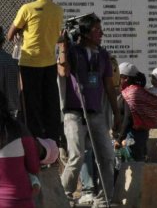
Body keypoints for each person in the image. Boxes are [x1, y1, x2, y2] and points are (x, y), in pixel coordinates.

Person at [58, 14, 118, 207]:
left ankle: (103, 199)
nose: (102, 33)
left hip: (96, 113)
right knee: (77, 156)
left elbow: (109, 87)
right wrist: (62, 46)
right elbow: (63, 72)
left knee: (108, 157)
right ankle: (62, 195)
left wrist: (117, 114)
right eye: (96, 30)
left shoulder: (103, 55)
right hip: (74, 113)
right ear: (84, 32)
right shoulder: (73, 52)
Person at [7, 0, 63, 142]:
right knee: (49, 101)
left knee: (31, 103)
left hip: (29, 62)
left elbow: (10, 34)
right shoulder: (58, 10)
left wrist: (20, 32)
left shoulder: (27, 8)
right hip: (50, 63)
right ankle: (52, 139)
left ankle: (34, 140)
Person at [114, 63, 157, 162]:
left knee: (132, 166)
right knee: (136, 166)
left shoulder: (131, 93)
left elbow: (128, 118)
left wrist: (119, 139)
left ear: (126, 78)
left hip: (130, 137)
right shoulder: (136, 91)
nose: (117, 80)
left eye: (119, 77)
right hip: (138, 136)